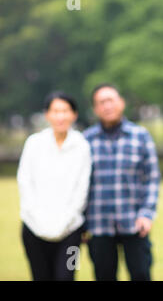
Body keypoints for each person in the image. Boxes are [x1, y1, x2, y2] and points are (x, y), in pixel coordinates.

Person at [83, 83, 160, 281]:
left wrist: (146, 213)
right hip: (98, 223)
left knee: (141, 274)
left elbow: (151, 178)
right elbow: (79, 184)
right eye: (101, 102)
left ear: (121, 103)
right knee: (103, 276)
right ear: (95, 109)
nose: (107, 106)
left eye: (111, 100)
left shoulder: (140, 136)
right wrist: (81, 222)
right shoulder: (86, 140)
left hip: (134, 221)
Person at [17, 91, 91, 281]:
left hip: (71, 231)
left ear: (74, 114)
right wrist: (39, 222)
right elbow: (25, 183)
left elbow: (81, 189)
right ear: (47, 114)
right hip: (34, 230)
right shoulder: (34, 143)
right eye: (55, 111)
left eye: (65, 111)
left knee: (67, 277)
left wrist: (65, 224)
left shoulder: (82, 145)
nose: (60, 116)